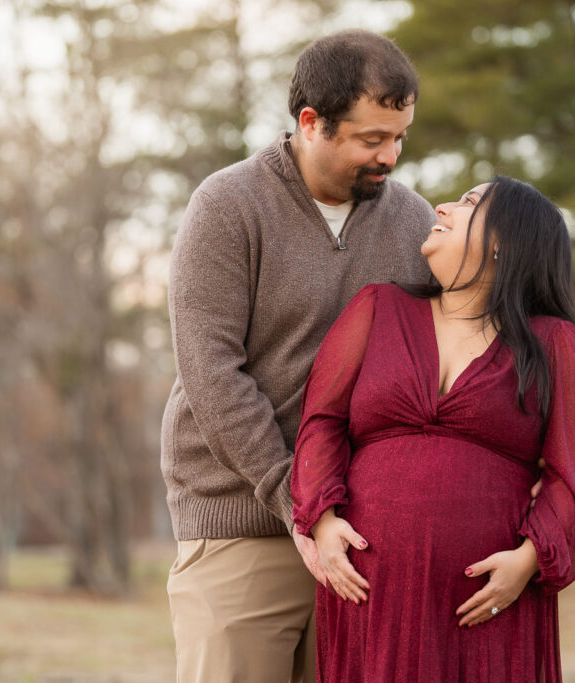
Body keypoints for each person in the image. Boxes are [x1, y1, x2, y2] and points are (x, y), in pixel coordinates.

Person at [160, 30, 435, 683]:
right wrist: (301, 505)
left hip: (363, 541)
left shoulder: (415, 222)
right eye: (372, 139)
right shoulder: (228, 206)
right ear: (311, 123)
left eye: (400, 137)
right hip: (242, 526)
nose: (391, 156)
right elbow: (212, 372)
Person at [291, 176, 575, 682]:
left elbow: (574, 472)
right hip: (369, 590)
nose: (443, 206)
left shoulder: (553, 344)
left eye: (470, 202)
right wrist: (322, 520)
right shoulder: (378, 307)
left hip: (486, 602)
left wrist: (526, 561)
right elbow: (322, 423)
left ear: (503, 240)